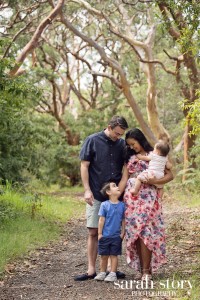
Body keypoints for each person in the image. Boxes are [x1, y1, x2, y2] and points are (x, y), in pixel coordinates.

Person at [74, 116, 128, 281]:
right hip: (96, 193)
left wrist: (120, 191)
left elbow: (126, 169)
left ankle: (112, 269)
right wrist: (87, 190)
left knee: (114, 232)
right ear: (109, 127)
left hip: (116, 195)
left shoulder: (122, 144)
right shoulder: (92, 140)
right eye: (117, 133)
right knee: (93, 231)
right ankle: (91, 269)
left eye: (121, 134)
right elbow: (84, 165)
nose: (118, 137)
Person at [119, 128, 173, 280]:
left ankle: (147, 271)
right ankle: (142, 270)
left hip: (149, 197)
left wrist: (155, 181)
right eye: (129, 145)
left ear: (139, 139)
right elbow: (125, 178)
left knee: (146, 233)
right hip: (132, 197)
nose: (131, 147)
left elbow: (170, 175)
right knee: (135, 234)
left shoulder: (154, 154)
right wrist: (116, 196)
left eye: (133, 143)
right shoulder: (129, 158)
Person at [94, 182, 125, 282]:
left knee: (114, 255)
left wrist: (122, 233)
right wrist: (99, 233)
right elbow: (101, 220)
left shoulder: (122, 205)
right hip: (105, 236)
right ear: (108, 192)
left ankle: (112, 273)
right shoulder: (104, 205)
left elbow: (124, 220)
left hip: (116, 236)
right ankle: (102, 272)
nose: (117, 187)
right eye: (114, 186)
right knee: (104, 256)